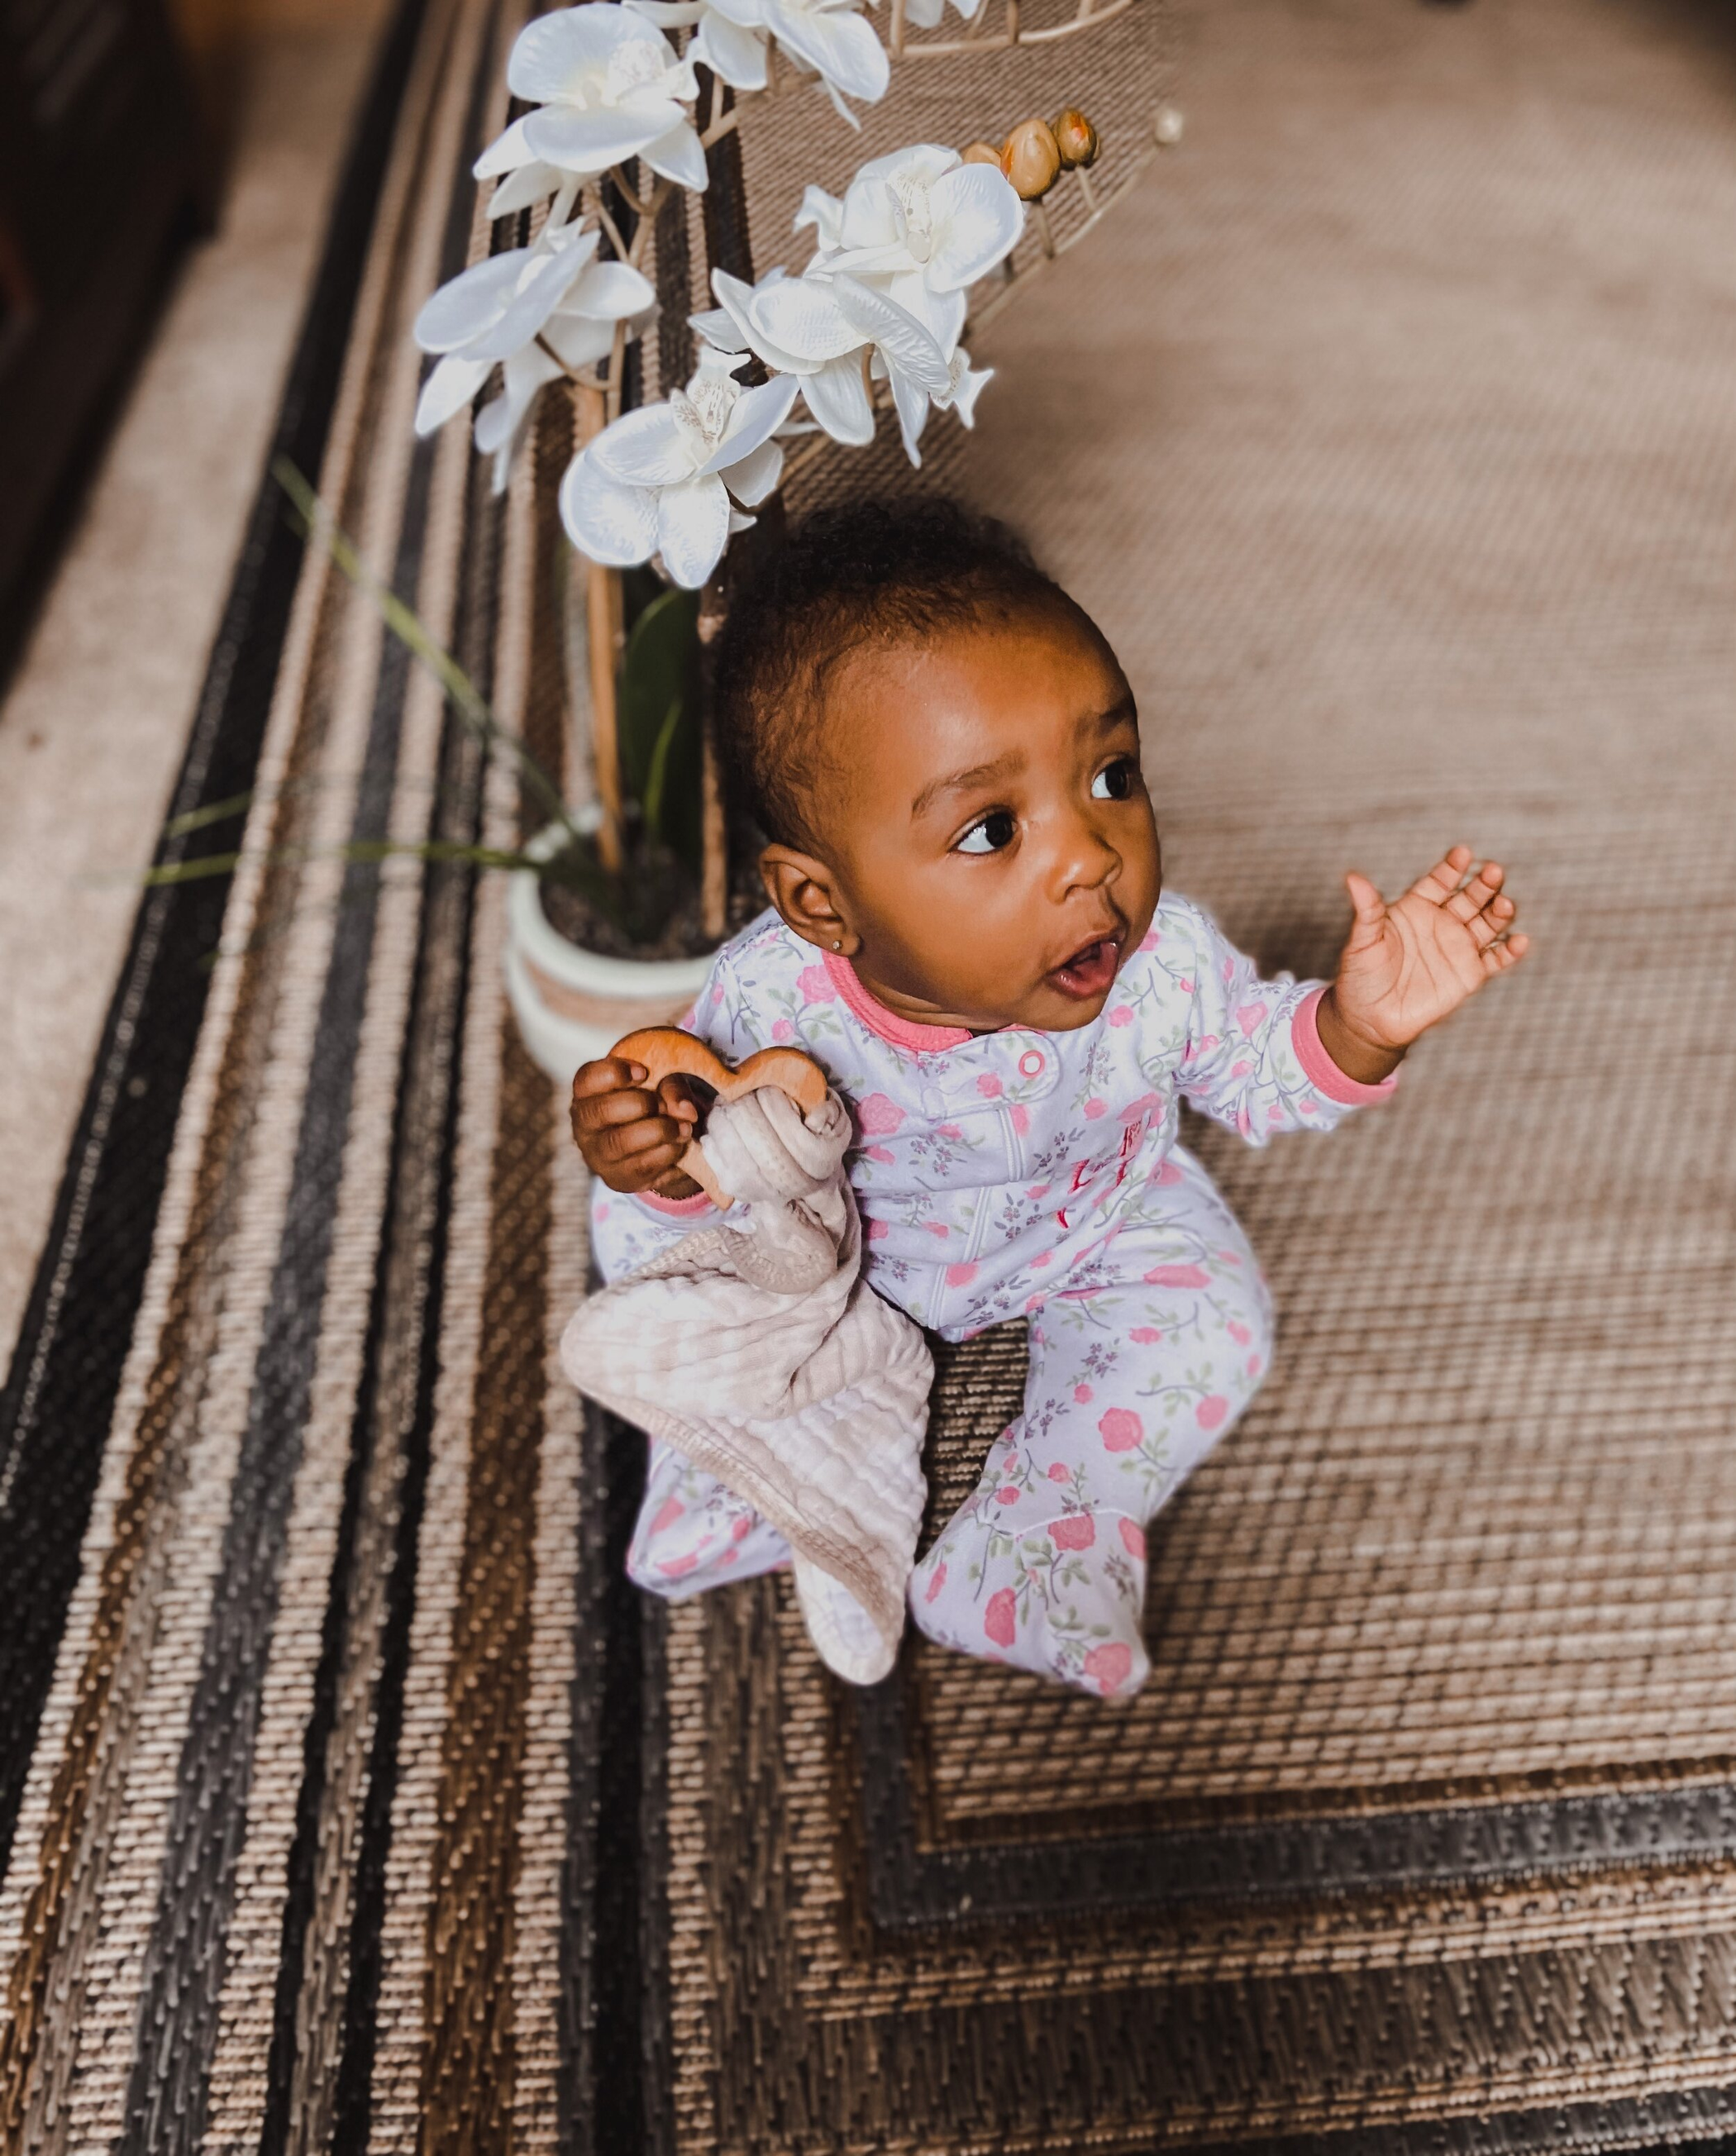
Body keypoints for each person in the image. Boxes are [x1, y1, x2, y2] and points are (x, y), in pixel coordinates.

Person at [570, 498, 1529, 1698]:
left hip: (1089, 1219)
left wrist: (1358, 1026)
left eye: (1110, 775)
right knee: (709, 1296)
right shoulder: (771, 1001)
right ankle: (759, 1473)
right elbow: (725, 1168)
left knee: (1213, 1319)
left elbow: (1253, 1066)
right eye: (990, 830)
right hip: (849, 1254)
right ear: (823, 905)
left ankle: (1033, 1546)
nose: (1091, 857)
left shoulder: (1160, 966)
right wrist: (656, 1155)